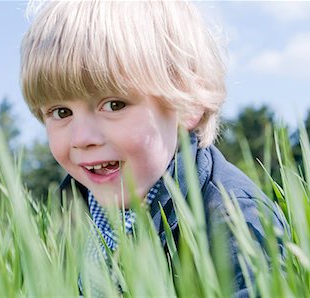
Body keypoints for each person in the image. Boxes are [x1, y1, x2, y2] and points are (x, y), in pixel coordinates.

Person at [20, 1, 287, 296]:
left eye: (114, 105)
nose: (81, 138)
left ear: (187, 105)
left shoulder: (234, 220)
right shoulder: (73, 213)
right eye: (60, 112)